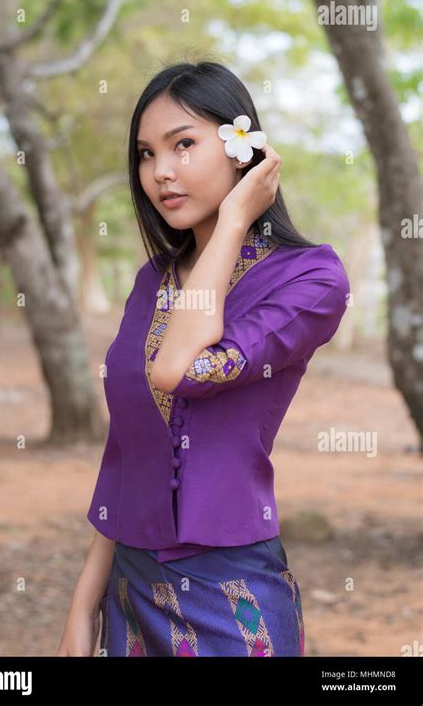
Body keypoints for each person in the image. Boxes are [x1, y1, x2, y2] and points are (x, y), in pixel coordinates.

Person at [57, 60, 350, 657]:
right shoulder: (152, 281)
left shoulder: (313, 277)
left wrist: (238, 218)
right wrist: (83, 605)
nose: (159, 172)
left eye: (183, 145)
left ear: (242, 150)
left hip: (232, 594)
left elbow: (178, 370)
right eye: (144, 154)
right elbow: (126, 451)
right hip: (130, 591)